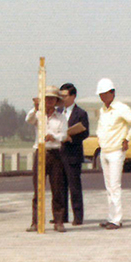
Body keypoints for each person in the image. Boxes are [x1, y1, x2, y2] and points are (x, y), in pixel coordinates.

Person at [94, 78, 131, 230]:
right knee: (109, 187)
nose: (103, 97)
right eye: (100, 94)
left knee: (115, 186)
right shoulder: (102, 110)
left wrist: (127, 138)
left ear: (112, 93)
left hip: (116, 151)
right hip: (105, 151)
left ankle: (117, 219)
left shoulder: (120, 108)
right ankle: (111, 216)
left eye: (105, 94)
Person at [25, 85, 69, 233]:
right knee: (38, 189)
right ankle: (36, 222)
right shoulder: (38, 115)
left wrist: (54, 137)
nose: (50, 101)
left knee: (57, 189)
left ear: (56, 101)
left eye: (52, 99)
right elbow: (28, 120)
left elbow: (64, 135)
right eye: (47, 98)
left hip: (55, 154)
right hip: (40, 152)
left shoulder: (61, 117)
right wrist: (35, 108)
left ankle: (58, 221)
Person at [58, 83, 90, 225]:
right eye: (61, 96)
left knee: (74, 187)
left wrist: (72, 138)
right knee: (60, 187)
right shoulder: (58, 112)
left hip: (73, 154)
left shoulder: (81, 113)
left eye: (65, 96)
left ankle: (78, 216)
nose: (62, 99)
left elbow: (85, 132)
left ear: (73, 96)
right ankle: (62, 216)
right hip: (59, 154)